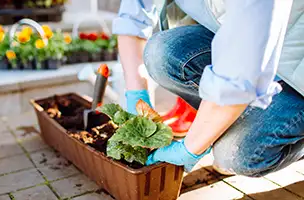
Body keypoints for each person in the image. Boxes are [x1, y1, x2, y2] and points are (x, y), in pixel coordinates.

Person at [113, 0, 304, 176]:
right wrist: (137, 95)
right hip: (245, 41)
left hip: (297, 73)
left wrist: (190, 147)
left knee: (236, 154)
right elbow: (133, 17)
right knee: (161, 53)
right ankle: (229, 120)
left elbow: (242, 69)